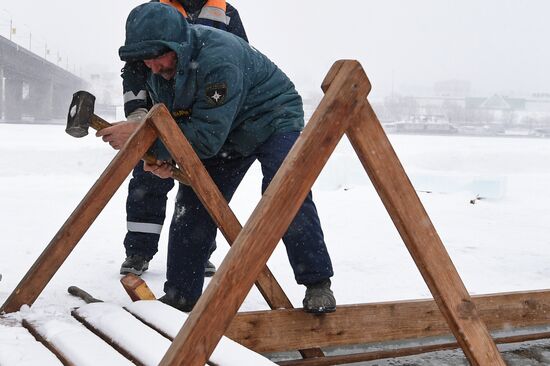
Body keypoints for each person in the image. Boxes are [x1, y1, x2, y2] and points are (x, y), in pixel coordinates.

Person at [98, 2, 336, 313]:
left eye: (158, 57)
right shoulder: (156, 69)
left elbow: (206, 141)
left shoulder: (218, 61)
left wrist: (144, 139)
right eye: (147, 60)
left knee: (286, 190)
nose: (153, 66)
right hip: (222, 127)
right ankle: (181, 296)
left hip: (271, 120)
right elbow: (174, 124)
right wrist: (156, 158)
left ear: (179, 45)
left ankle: (317, 283)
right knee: (194, 202)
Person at [119, 0, 248, 277]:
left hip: (202, 113)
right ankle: (138, 251)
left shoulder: (226, 12)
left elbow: (239, 61)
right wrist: (137, 114)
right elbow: (134, 68)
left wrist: (221, 116)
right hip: (160, 107)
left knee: (201, 183)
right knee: (148, 178)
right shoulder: (154, 12)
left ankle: (199, 252)